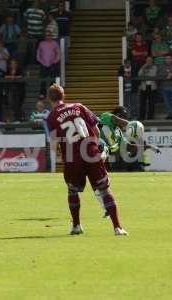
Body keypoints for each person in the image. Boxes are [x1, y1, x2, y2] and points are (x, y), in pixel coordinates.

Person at [46, 84, 128, 236]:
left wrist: (60, 154)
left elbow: (53, 144)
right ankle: (117, 228)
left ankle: (76, 226)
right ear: (64, 95)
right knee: (104, 189)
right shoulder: (79, 107)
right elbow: (96, 130)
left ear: (49, 99)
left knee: (72, 190)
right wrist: (95, 146)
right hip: (91, 153)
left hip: (72, 157)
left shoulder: (51, 117)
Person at [37, 31, 60, 97]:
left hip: (52, 64)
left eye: (49, 35)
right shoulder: (42, 43)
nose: (48, 37)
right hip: (43, 64)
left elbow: (58, 53)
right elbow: (38, 53)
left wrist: (55, 61)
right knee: (43, 80)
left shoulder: (54, 43)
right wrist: (40, 61)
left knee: (52, 80)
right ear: (45, 36)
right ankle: (42, 94)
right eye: (47, 35)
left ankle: (51, 94)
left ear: (51, 36)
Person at [158, 55, 172, 119]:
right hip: (164, 87)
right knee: (167, 102)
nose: (168, 60)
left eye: (169, 58)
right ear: (165, 59)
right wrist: (166, 75)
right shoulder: (161, 66)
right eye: (166, 58)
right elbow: (159, 74)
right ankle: (171, 115)